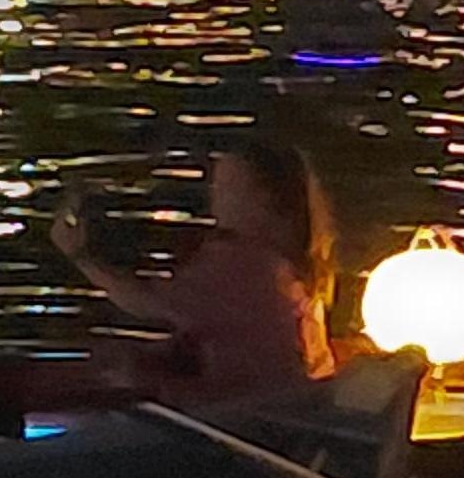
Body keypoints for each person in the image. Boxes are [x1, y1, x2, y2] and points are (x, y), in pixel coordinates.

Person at [51, 137, 334, 401]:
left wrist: (80, 256)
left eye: (226, 188)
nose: (214, 200)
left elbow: (147, 302)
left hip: (247, 419)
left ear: (263, 199)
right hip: (286, 403)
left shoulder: (244, 267)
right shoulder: (292, 266)